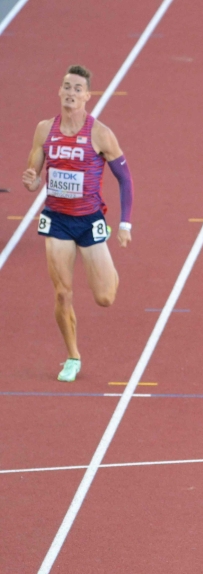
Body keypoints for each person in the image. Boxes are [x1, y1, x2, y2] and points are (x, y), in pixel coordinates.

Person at [22, 65, 135, 382]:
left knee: (105, 298)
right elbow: (33, 176)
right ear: (59, 91)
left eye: (77, 88)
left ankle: (106, 265)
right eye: (66, 86)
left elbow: (125, 180)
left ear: (87, 96)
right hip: (56, 220)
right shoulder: (45, 129)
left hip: (89, 221)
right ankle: (72, 356)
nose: (70, 92)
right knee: (62, 293)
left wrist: (125, 224)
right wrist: (30, 180)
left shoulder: (100, 133)